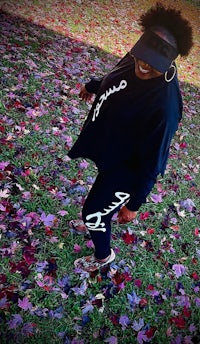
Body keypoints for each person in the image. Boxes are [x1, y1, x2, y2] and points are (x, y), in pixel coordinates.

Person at [68, 2, 193, 272]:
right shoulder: (137, 56)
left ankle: (103, 257)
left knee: (92, 212)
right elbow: (116, 76)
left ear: (170, 62)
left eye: (153, 64)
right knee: (98, 207)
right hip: (114, 152)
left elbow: (152, 164)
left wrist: (133, 204)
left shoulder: (164, 107)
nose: (143, 66)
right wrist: (93, 85)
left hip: (129, 170)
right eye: (141, 56)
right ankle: (99, 219)